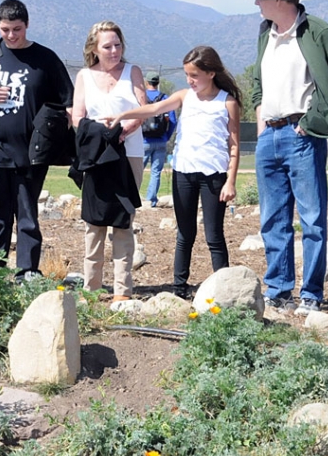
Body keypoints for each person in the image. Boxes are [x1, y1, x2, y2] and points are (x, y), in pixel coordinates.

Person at [249, 0, 328, 314]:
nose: (257, 2)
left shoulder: (318, 33)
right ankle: (279, 291)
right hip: (269, 135)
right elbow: (258, 82)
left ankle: (311, 294)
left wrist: (309, 124)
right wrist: (262, 121)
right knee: (272, 220)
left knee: (311, 219)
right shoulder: (266, 33)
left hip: (301, 136)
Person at [106, 45, 240, 300]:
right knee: (184, 234)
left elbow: (234, 145)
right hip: (183, 173)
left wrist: (230, 181)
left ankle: (224, 289)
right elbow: (154, 109)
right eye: (187, 75)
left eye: (195, 75)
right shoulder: (184, 96)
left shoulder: (228, 102)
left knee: (214, 235)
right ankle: (179, 289)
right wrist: (125, 114)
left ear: (211, 73)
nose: (190, 81)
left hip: (214, 176)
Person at [0, 0, 74, 280]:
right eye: (5, 29)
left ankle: (27, 272)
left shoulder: (45, 58)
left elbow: (68, 101)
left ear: (27, 25)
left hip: (31, 152)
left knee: (27, 215)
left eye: (17, 29)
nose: (11, 35)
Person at [71, 21, 147, 302]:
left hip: (128, 154)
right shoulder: (84, 76)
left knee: (123, 220)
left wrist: (122, 129)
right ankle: (91, 288)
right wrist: (99, 131)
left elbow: (143, 110)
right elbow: (78, 116)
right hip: (96, 156)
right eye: (108, 46)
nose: (114, 50)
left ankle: (122, 291)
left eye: (118, 45)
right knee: (94, 223)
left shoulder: (132, 72)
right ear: (94, 49)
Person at [142, 71, 177, 208]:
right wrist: (166, 136)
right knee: (156, 172)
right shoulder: (165, 98)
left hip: (144, 140)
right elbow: (173, 121)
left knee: (137, 170)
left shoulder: (142, 97)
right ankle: (151, 200)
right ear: (158, 83)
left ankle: (133, 200)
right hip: (161, 140)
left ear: (147, 82)